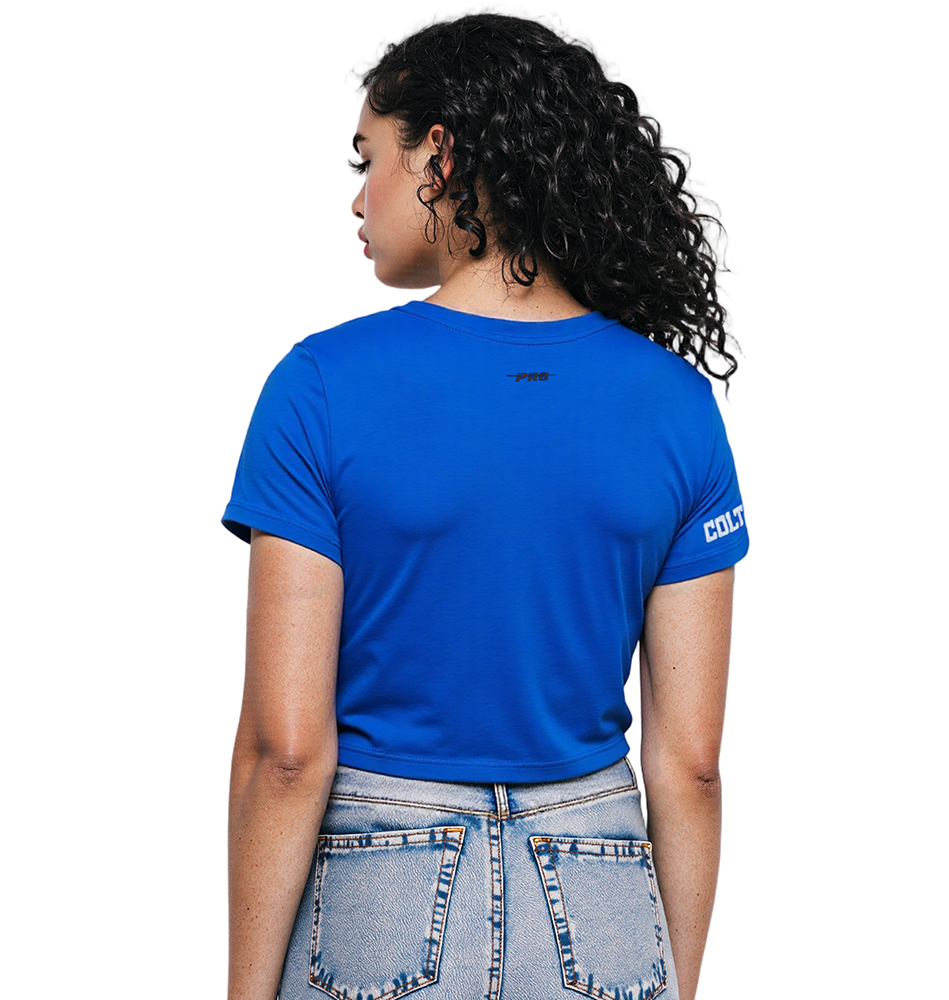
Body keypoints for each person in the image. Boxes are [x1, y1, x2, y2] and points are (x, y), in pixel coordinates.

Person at [222, 13, 748, 1000]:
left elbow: (284, 753)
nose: (358, 197)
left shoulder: (321, 387)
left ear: (440, 154)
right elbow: (691, 768)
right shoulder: (677, 404)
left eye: (368, 159)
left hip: (377, 883)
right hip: (599, 886)